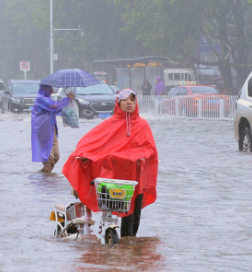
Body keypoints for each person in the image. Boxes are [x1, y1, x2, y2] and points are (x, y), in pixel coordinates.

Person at [63, 89, 159, 237]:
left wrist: (137, 155)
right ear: (118, 102)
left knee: (133, 223)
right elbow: (89, 143)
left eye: (132, 99)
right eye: (125, 99)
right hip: (114, 180)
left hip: (136, 179)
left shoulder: (142, 125)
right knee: (110, 210)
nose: (129, 102)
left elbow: (150, 150)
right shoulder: (109, 124)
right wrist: (84, 156)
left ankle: (130, 252)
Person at [31, 85, 75, 172]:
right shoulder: (41, 98)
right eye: (50, 88)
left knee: (56, 156)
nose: (52, 90)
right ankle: (46, 181)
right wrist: (67, 99)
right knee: (49, 158)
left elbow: (55, 110)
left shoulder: (47, 99)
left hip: (51, 128)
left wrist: (68, 104)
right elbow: (53, 106)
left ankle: (43, 175)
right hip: (43, 130)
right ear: (45, 89)